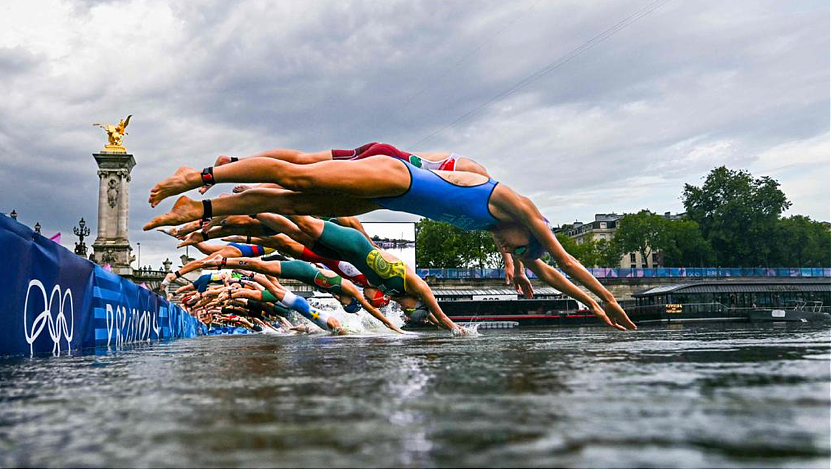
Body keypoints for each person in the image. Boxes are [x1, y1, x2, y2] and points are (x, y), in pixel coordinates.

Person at [145, 155, 635, 331]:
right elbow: (564, 259)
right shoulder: (518, 206)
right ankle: (200, 178)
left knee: (299, 203)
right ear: (529, 231)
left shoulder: (504, 233)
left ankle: (204, 212)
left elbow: (548, 270)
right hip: (396, 175)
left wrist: (590, 307)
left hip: (388, 198)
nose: (510, 250)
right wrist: (609, 299)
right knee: (297, 178)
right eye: (520, 249)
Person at [199, 253, 405, 334]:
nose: (343, 305)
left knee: (270, 284)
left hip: (304, 285)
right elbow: (368, 307)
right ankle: (226, 263)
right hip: (303, 272)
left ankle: (232, 268)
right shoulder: (349, 288)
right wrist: (391, 325)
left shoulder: (340, 293)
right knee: (268, 280)